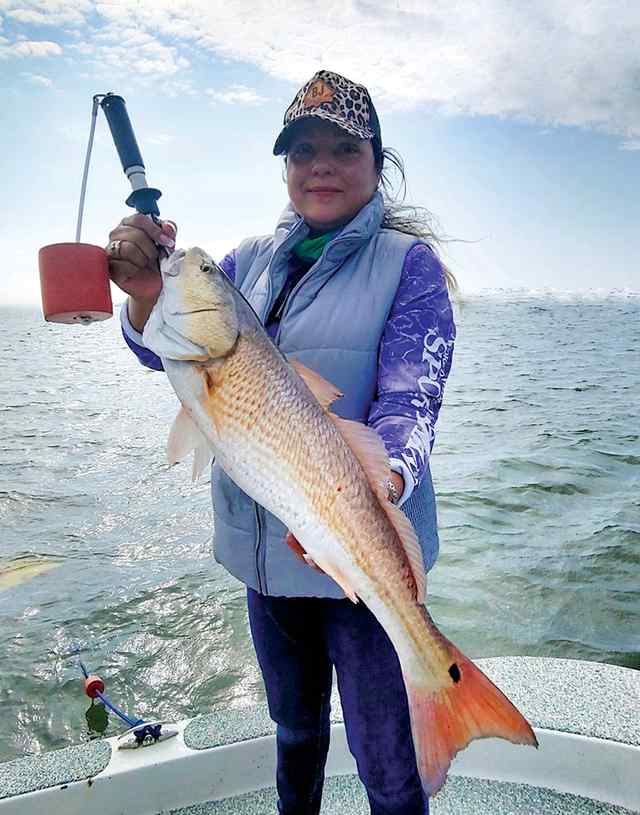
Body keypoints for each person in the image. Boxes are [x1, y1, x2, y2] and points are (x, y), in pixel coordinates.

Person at [107, 69, 456, 815]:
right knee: (294, 733)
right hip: (267, 559)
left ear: (376, 161)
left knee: (387, 764)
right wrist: (144, 296)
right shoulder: (247, 259)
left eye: (342, 147)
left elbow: (411, 399)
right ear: (284, 166)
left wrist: (379, 485)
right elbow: (167, 347)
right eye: (301, 151)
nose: (320, 165)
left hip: (354, 561)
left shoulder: (409, 266)